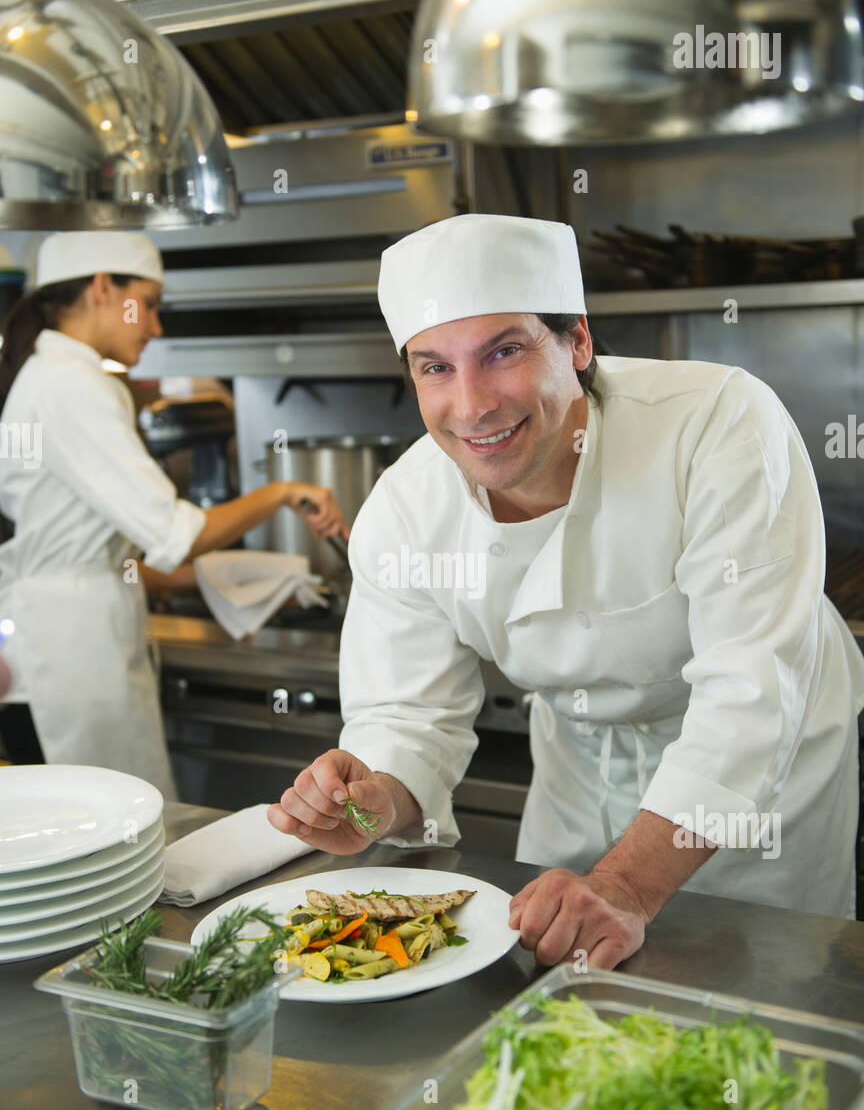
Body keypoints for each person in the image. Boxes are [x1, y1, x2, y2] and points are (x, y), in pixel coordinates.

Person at [267, 213, 864, 968]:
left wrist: (628, 885)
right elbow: (407, 715)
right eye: (434, 368)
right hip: (578, 767)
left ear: (577, 341)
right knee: (560, 988)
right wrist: (380, 795)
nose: (473, 404)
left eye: (504, 351)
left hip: (759, 777)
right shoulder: (406, 510)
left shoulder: (717, 424)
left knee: (762, 990)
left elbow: (751, 690)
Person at [0, 231, 349, 797]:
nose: (156, 327)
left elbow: (127, 555)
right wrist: (282, 493)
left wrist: (248, 577)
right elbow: (174, 533)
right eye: (151, 304)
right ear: (102, 287)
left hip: (63, 647)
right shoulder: (70, 384)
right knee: (105, 844)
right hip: (68, 660)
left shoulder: (52, 377)